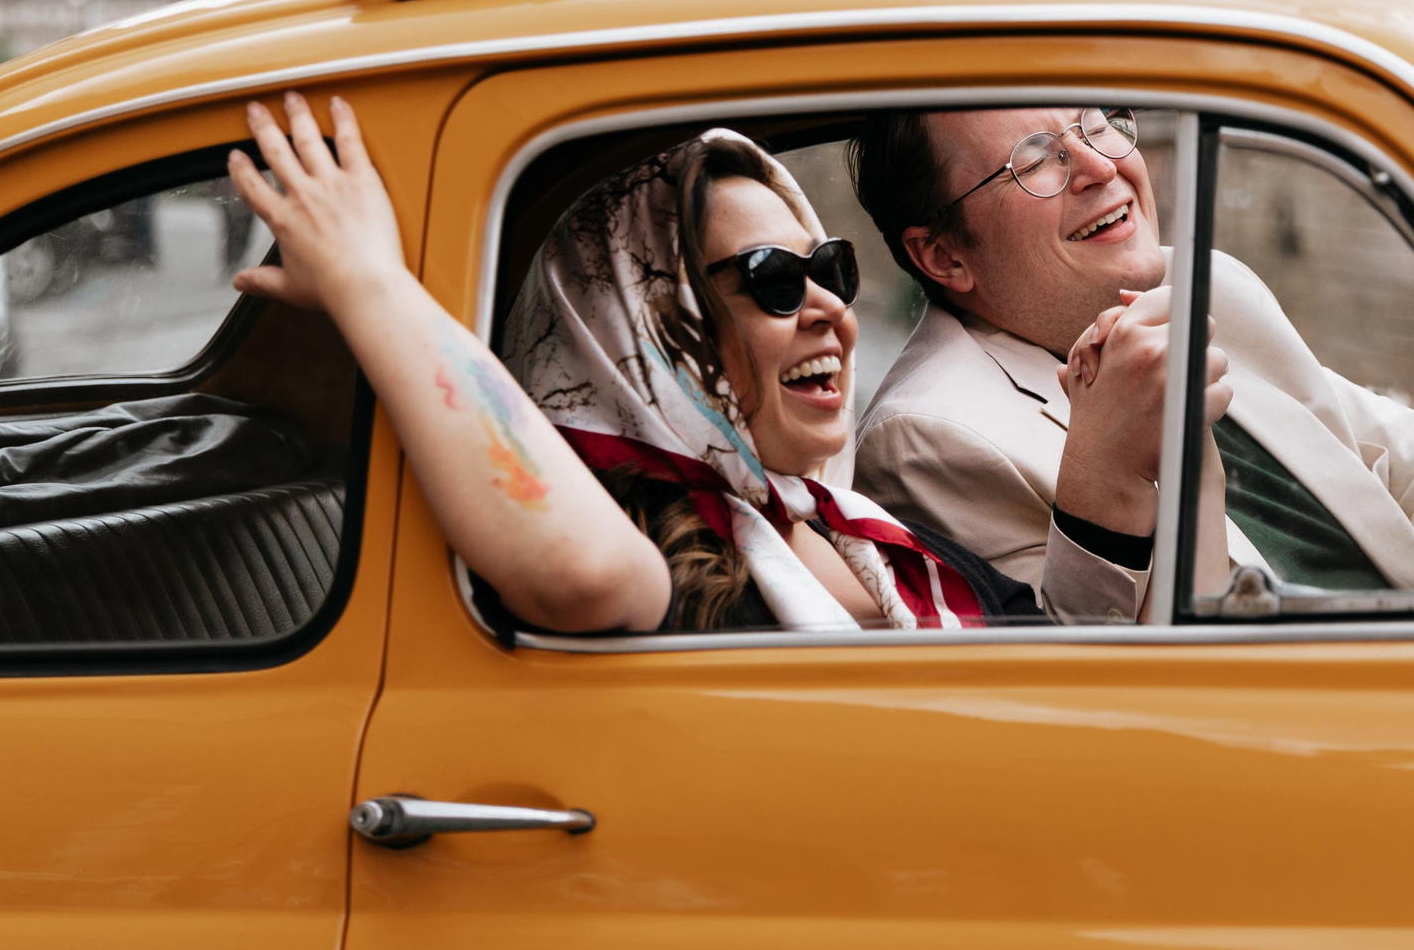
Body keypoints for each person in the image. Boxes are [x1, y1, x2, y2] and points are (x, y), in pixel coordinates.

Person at [228, 92, 1021, 635]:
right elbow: (587, 574)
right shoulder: (660, 559)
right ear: (640, 335)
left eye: (831, 268)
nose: (830, 309)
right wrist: (370, 284)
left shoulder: (848, 526)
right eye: (771, 280)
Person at [847, 105, 1414, 623]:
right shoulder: (929, 437)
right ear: (944, 254)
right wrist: (1110, 467)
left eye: (1096, 120)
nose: (1100, 165)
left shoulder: (1208, 285)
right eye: (1035, 159)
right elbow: (1090, 700)